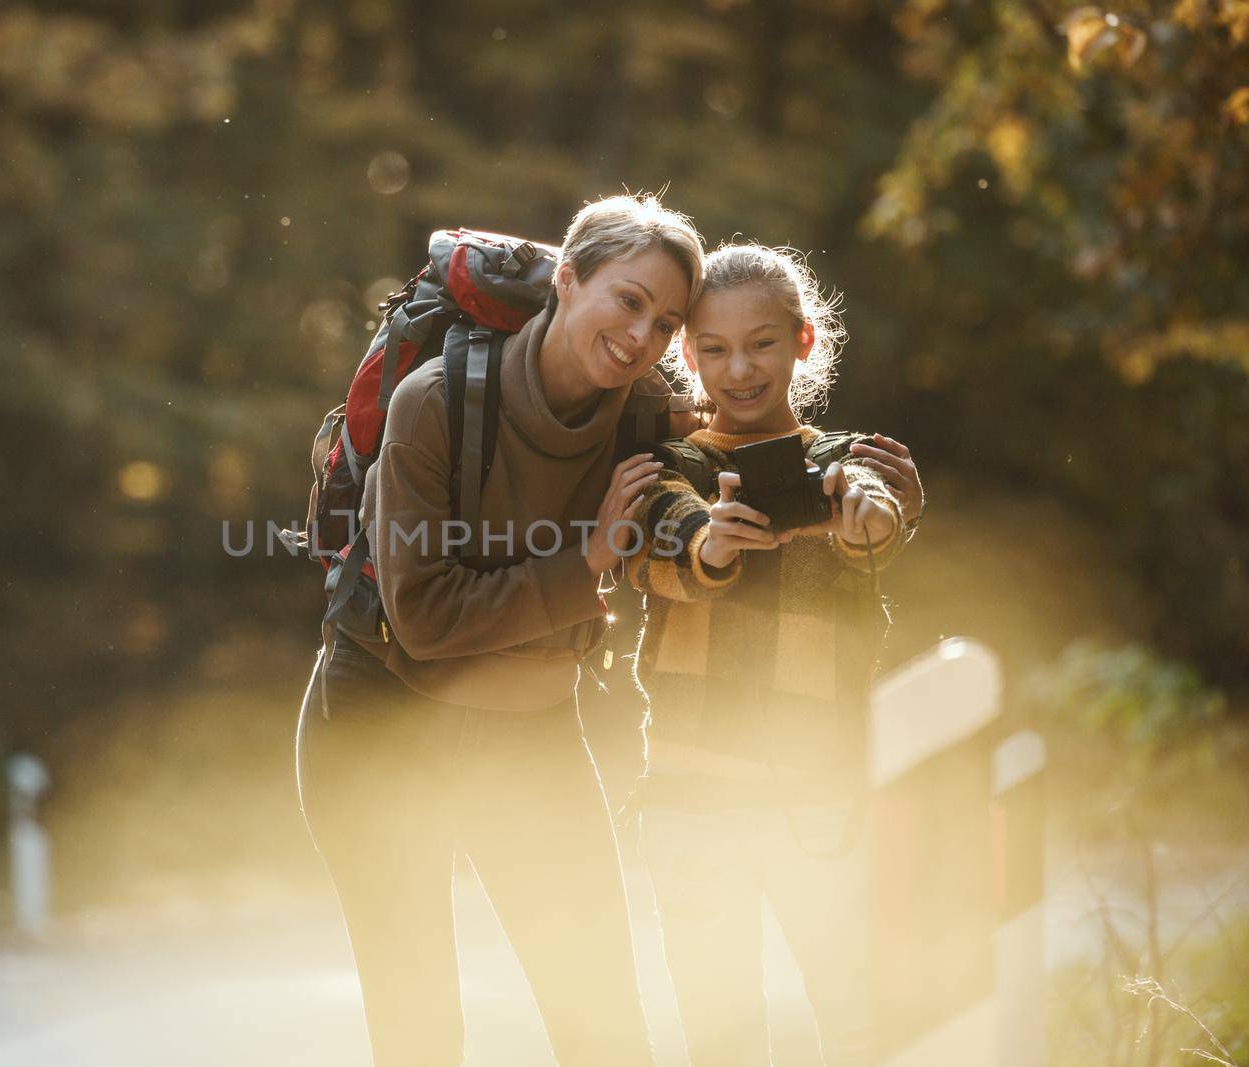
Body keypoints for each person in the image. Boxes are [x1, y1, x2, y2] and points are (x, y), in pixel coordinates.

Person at [296, 193, 704, 1066]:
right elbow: (427, 616)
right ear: (567, 276)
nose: (642, 337)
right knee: (422, 1036)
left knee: (604, 1028)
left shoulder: (645, 414)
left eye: (666, 322)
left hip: (530, 729)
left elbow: (755, 439)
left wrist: (854, 482)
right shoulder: (434, 401)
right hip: (380, 720)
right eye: (627, 300)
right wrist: (585, 561)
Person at [624, 241, 919, 1067]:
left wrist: (873, 521)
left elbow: (876, 521)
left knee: (861, 1026)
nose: (738, 368)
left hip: (817, 801)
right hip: (689, 800)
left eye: (760, 343)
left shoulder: (845, 462)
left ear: (803, 340)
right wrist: (709, 548)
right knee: (724, 1043)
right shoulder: (667, 465)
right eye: (712, 348)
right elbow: (658, 541)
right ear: (686, 356)